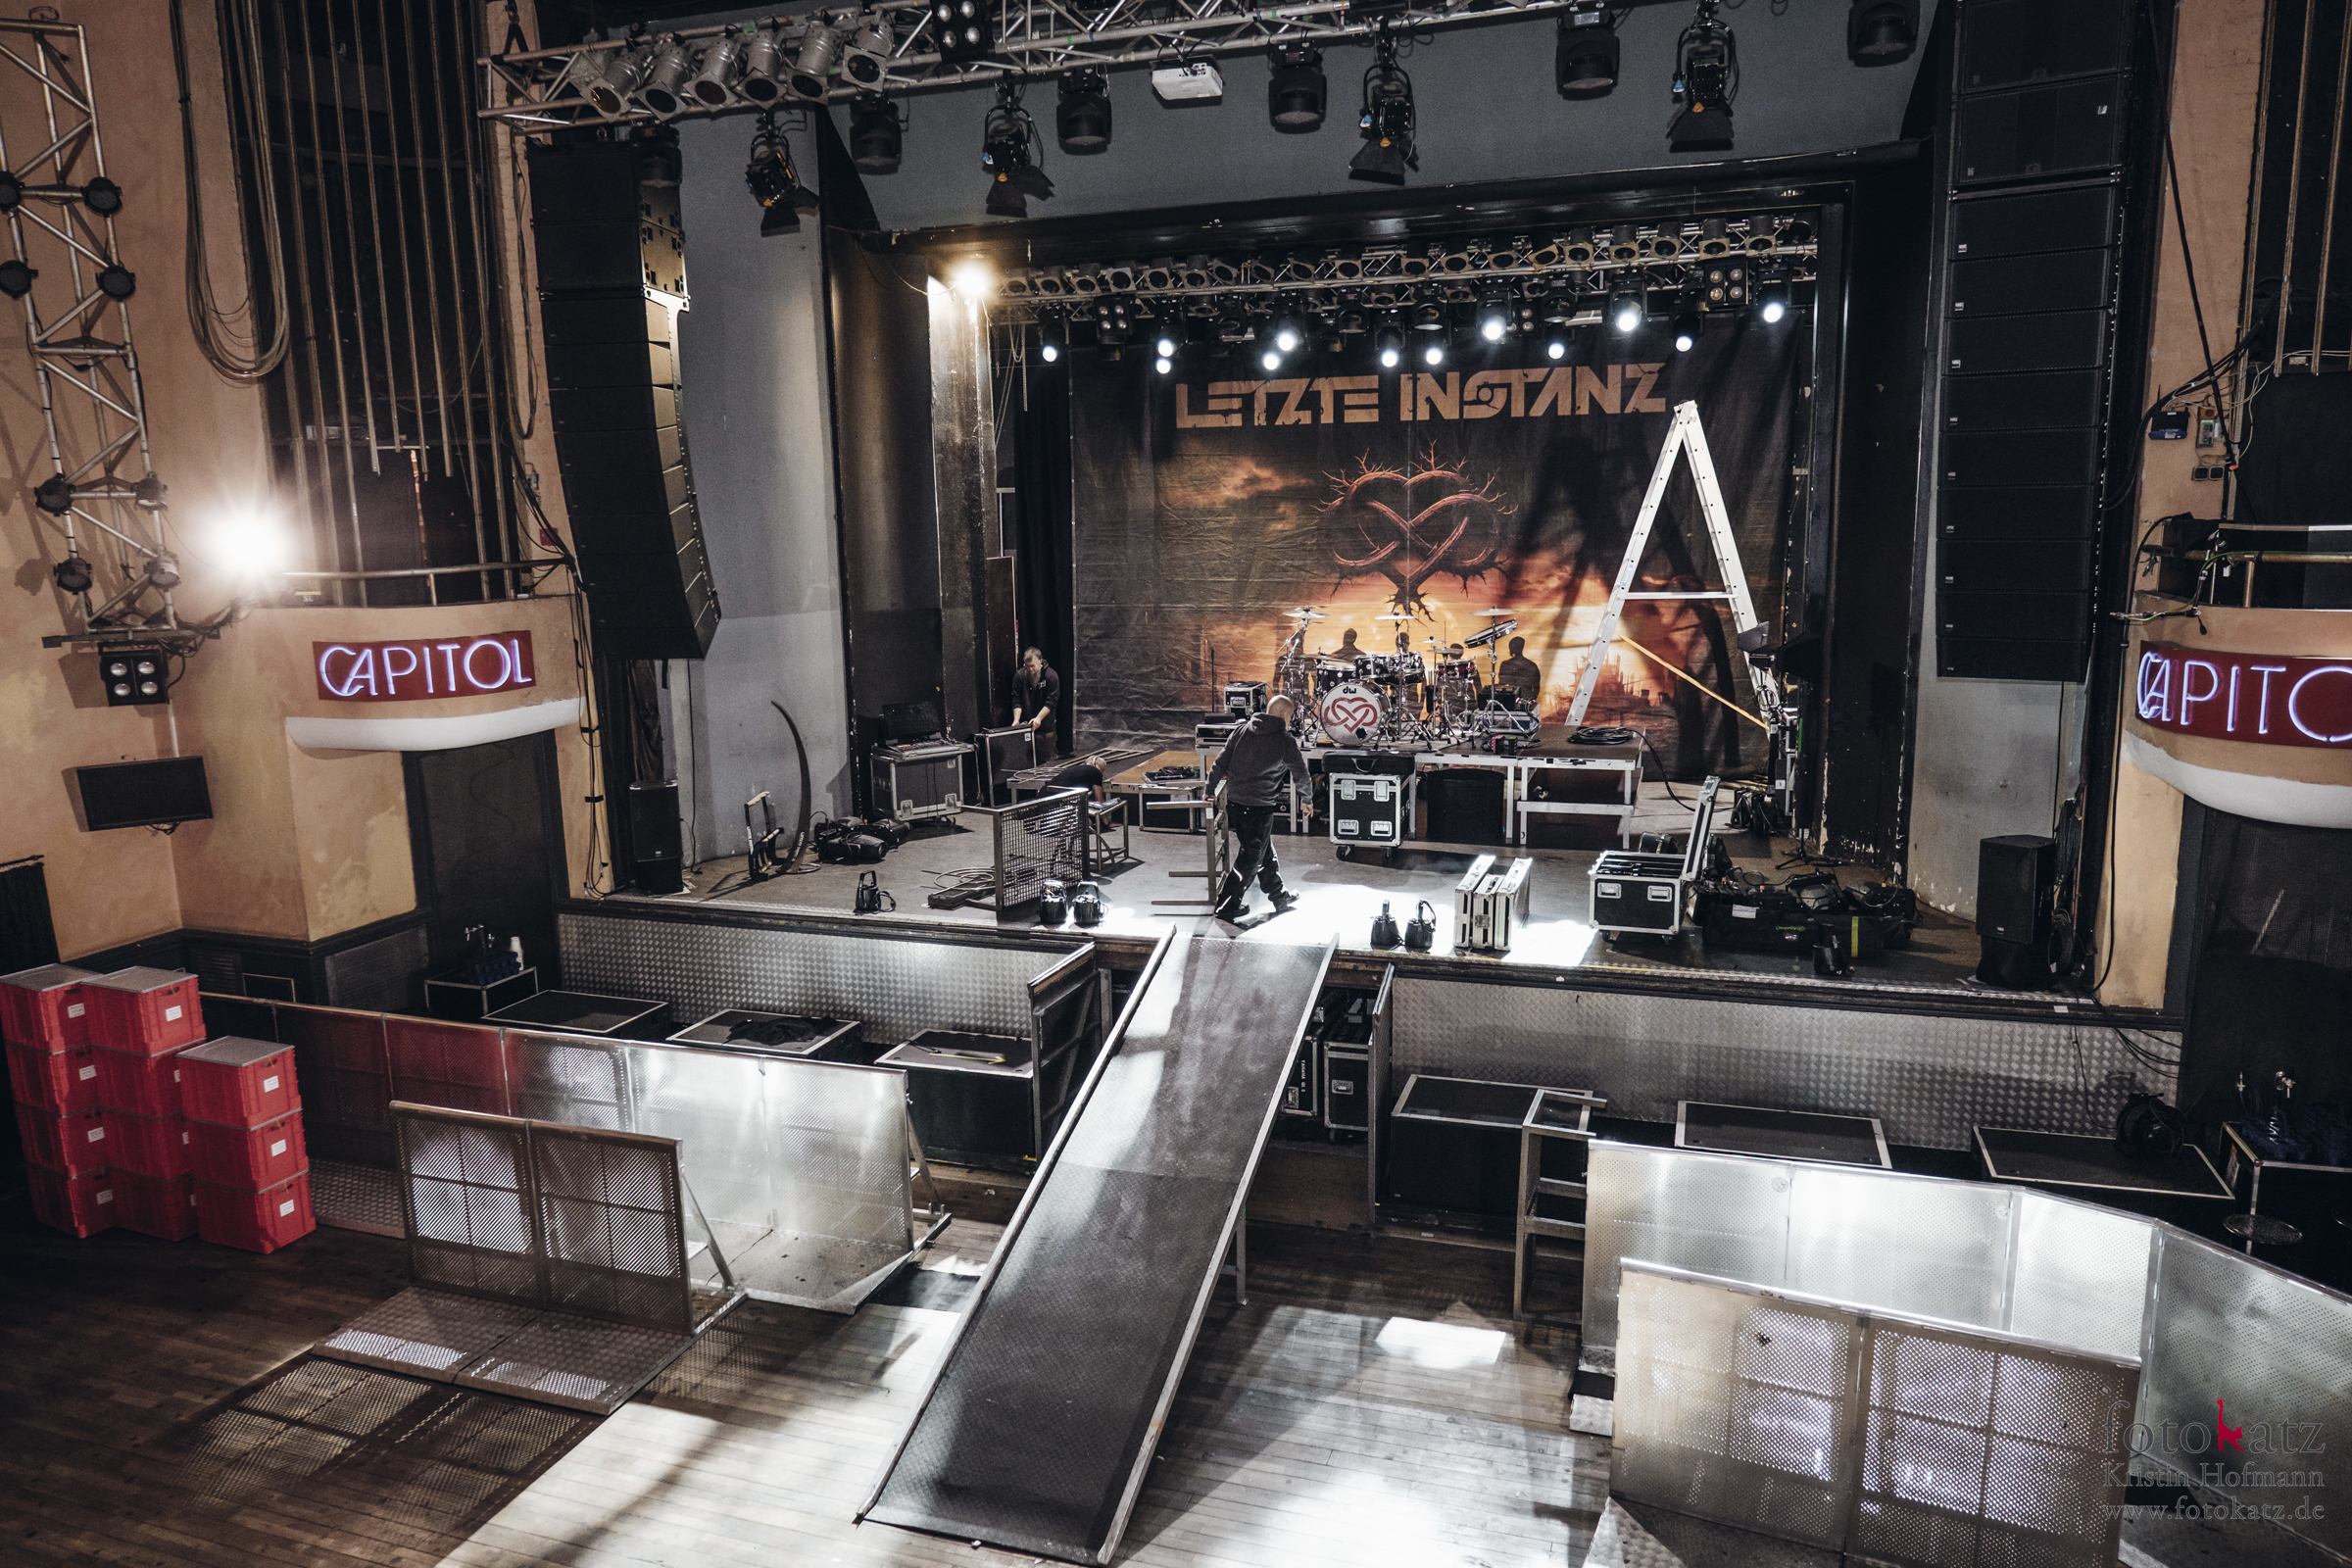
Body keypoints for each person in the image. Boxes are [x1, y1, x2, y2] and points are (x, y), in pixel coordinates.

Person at [1205, 694, 1312, 922]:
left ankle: (1280, 897)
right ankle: (1226, 907)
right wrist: (1307, 798)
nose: (1290, 721)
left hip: (1235, 804)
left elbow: (1220, 762)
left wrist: (1209, 789)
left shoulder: (1241, 730)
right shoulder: (1284, 740)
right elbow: (1300, 772)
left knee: (1264, 853)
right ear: (1283, 714)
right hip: (1258, 807)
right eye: (1290, 716)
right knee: (1250, 860)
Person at [1012, 647, 1060, 760]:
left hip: (1046, 729)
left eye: (1032, 666)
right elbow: (1016, 699)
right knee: (1025, 762)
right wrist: (1016, 720)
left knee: (1047, 761)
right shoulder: (1020, 675)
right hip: (1026, 727)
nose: (1030, 669)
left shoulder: (1051, 675)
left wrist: (1038, 718)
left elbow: (1051, 701)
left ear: (1040, 661)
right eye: (1027, 666)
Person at [1496, 635, 1543, 710]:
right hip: (1523, 704)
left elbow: (1501, 687)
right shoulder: (1532, 665)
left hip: (1510, 704)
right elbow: (1536, 689)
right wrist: (1530, 702)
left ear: (1511, 648)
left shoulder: (1505, 665)